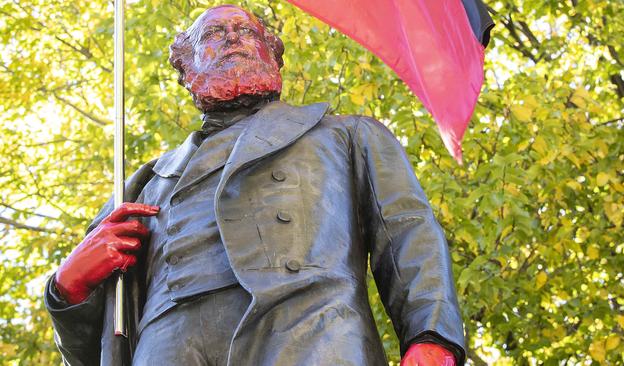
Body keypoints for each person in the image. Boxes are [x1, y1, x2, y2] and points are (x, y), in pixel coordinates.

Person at [45, 4, 486, 365]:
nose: (234, 38)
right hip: (170, 351)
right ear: (185, 68)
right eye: (214, 35)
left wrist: (432, 337)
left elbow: (409, 233)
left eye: (247, 31)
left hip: (308, 337)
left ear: (274, 56)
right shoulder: (142, 184)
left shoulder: (346, 135)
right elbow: (96, 349)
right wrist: (67, 288)